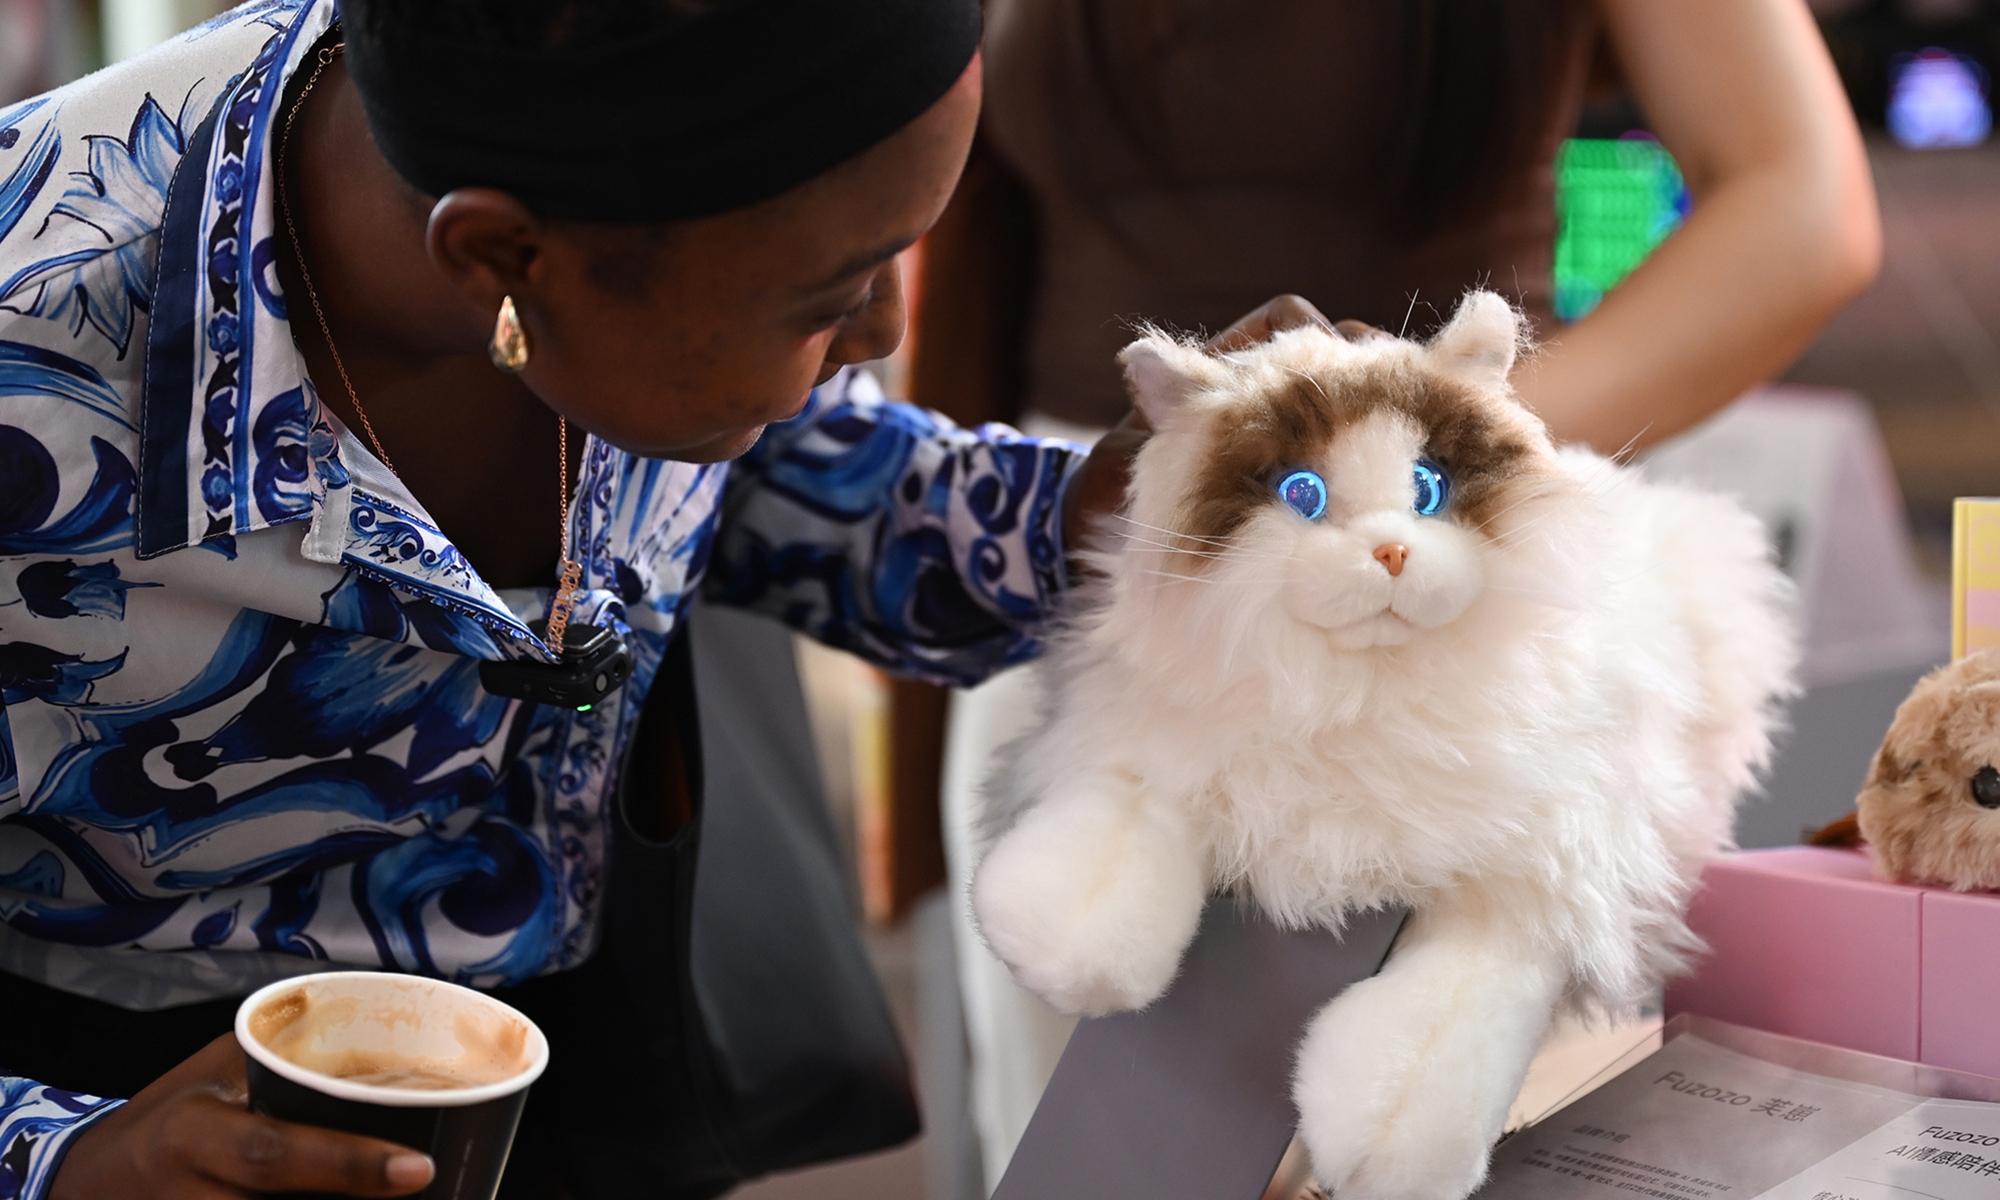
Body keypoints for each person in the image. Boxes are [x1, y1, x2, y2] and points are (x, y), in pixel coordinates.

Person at [0, 1, 1319, 1196]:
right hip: (143, 1100)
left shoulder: (641, 192)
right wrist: (62, 1156)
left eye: (896, 255)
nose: (882, 334)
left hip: (598, 1049)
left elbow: (790, 475)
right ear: (503, 256)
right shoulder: (32, 358)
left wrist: (1097, 519)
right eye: (832, 296)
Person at [904, 0, 1882, 1185]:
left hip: (1452, 637)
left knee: (1400, 1129)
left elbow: (1799, 200)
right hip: (1096, 574)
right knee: (1081, 1145)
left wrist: (1436, 465)